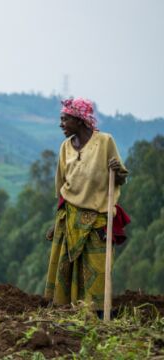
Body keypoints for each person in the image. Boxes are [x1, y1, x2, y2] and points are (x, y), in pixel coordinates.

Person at [44, 98, 128, 313]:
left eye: (65, 119)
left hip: (97, 217)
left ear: (80, 120)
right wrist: (57, 222)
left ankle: (98, 314)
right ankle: (69, 312)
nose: (61, 124)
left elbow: (119, 178)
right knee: (66, 269)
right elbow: (62, 186)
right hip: (69, 217)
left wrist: (117, 170)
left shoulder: (105, 142)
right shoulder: (65, 147)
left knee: (97, 270)